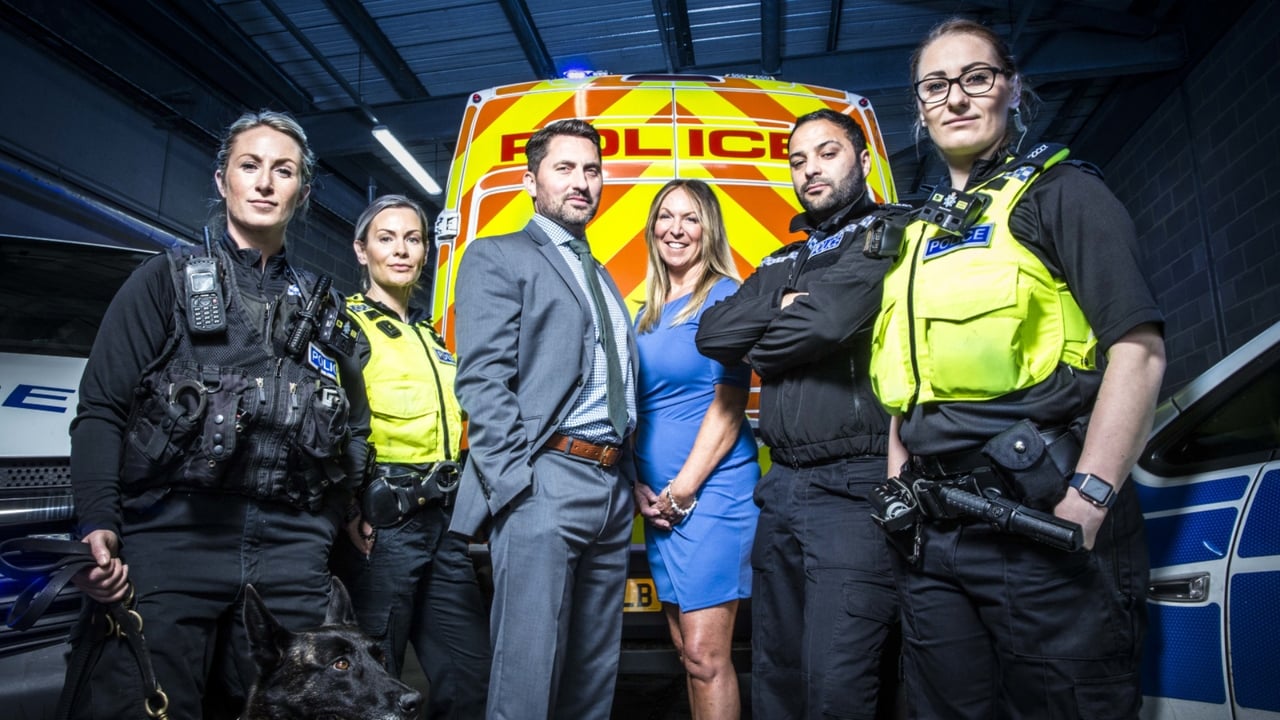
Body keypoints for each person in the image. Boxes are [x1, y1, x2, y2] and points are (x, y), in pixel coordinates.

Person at [867, 18, 1166, 719]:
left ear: (1012, 88)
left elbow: (1140, 350)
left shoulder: (1062, 194)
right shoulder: (918, 233)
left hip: (1040, 519)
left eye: (977, 78)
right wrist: (898, 484)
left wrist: (1088, 500)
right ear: (920, 106)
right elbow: (908, 386)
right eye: (936, 85)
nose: (956, 98)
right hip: (937, 534)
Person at [66, 110, 371, 718]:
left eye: (283, 171)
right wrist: (98, 520)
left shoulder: (327, 311)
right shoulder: (163, 282)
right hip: (175, 533)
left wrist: (326, 523)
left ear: (302, 191)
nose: (265, 182)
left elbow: (355, 429)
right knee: (142, 703)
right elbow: (101, 408)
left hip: (292, 548)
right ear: (221, 179)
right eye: (249, 165)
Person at [696, 109, 900, 720]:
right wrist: (784, 305)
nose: (811, 169)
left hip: (856, 485)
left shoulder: (890, 232)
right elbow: (713, 333)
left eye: (827, 153)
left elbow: (828, 322)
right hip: (781, 486)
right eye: (798, 160)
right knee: (777, 673)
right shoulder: (781, 261)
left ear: (863, 159)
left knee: (838, 678)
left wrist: (762, 339)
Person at [449, 118, 637, 720]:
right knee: (527, 679)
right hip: (546, 479)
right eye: (565, 168)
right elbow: (482, 379)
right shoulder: (498, 255)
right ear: (532, 181)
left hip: (611, 488)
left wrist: (627, 481)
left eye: (591, 170)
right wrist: (516, 487)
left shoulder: (600, 273)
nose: (581, 182)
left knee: (592, 676)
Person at [333, 194, 491, 719]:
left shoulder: (432, 336)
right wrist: (349, 506)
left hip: (444, 522)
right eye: (386, 238)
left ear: (425, 252)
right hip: (382, 523)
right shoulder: (346, 326)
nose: (401, 250)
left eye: (413, 239)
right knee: (374, 682)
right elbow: (330, 424)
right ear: (362, 251)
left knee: (471, 675)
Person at [631, 179, 760, 720]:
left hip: (711, 495)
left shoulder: (726, 297)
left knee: (707, 656)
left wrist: (680, 492)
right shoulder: (646, 311)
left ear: (709, 229)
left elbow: (729, 404)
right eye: (666, 216)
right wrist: (638, 485)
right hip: (659, 504)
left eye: (690, 218)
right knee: (687, 652)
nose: (676, 229)